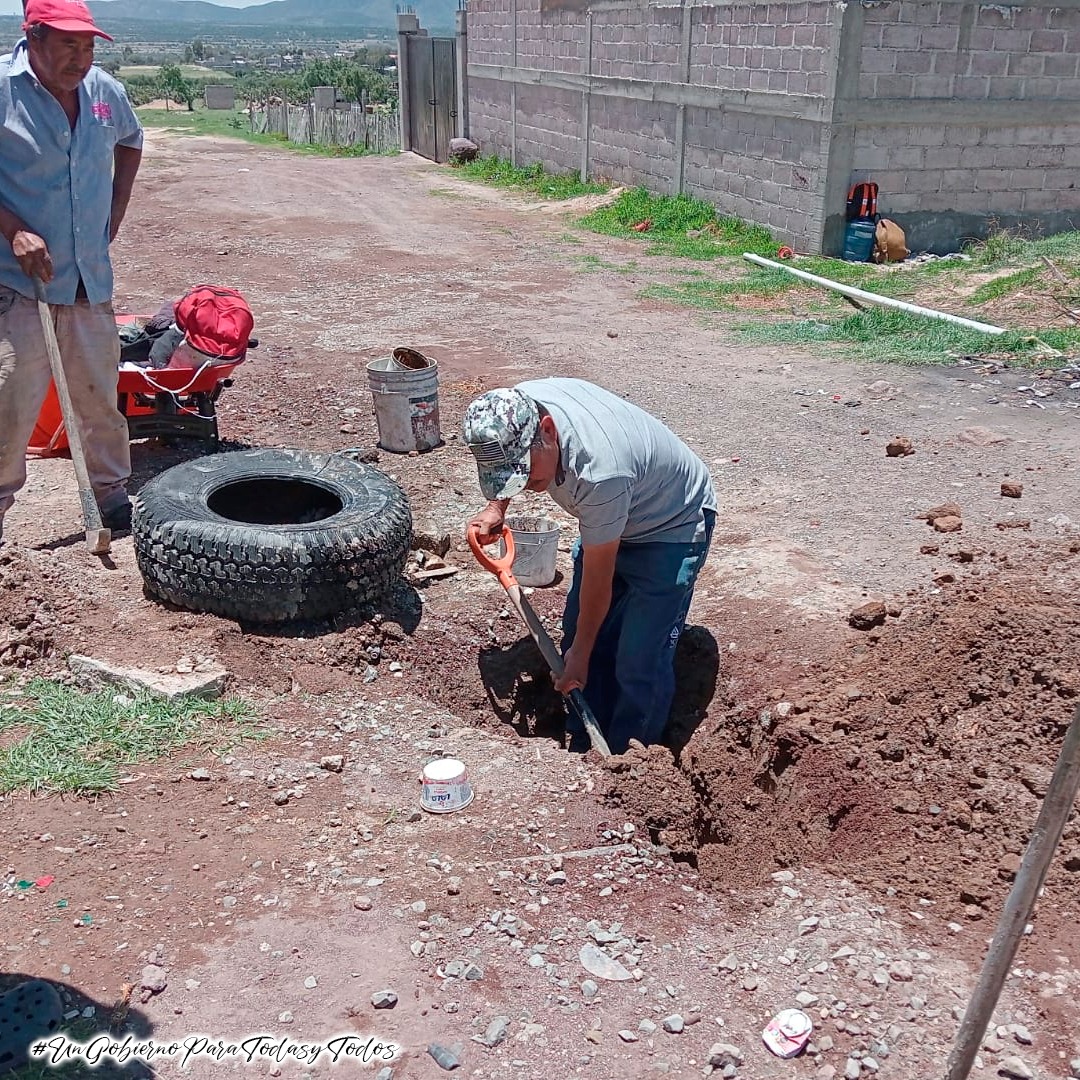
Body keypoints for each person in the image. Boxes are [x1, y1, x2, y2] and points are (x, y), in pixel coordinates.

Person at [464, 378, 717, 755]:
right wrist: (496, 506)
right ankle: (584, 746)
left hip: (671, 525)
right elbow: (507, 457)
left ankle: (631, 762)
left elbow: (599, 582)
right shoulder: (510, 409)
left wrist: (579, 655)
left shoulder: (601, 471)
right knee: (581, 637)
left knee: (638, 658)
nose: (527, 485)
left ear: (547, 430)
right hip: (615, 516)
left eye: (525, 473)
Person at [0, 0, 143, 546]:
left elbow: (130, 142)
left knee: (98, 395)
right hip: (20, 285)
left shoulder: (104, 92)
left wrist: (115, 210)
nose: (81, 59)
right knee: (11, 400)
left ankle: (109, 498)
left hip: (88, 277)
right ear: (33, 37)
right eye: (68, 45)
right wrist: (13, 230)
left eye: (87, 47)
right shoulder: (5, 89)